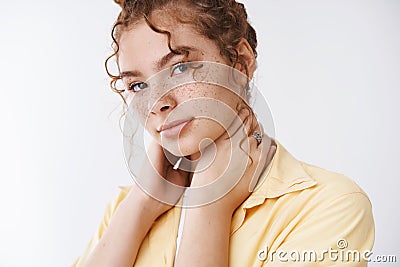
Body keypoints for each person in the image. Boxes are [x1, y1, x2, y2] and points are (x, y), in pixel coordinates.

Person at [72, 0, 374, 266]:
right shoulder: (127, 208)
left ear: (241, 62)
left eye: (179, 68)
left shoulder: (329, 206)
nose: (158, 103)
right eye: (138, 86)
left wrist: (211, 205)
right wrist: (139, 208)